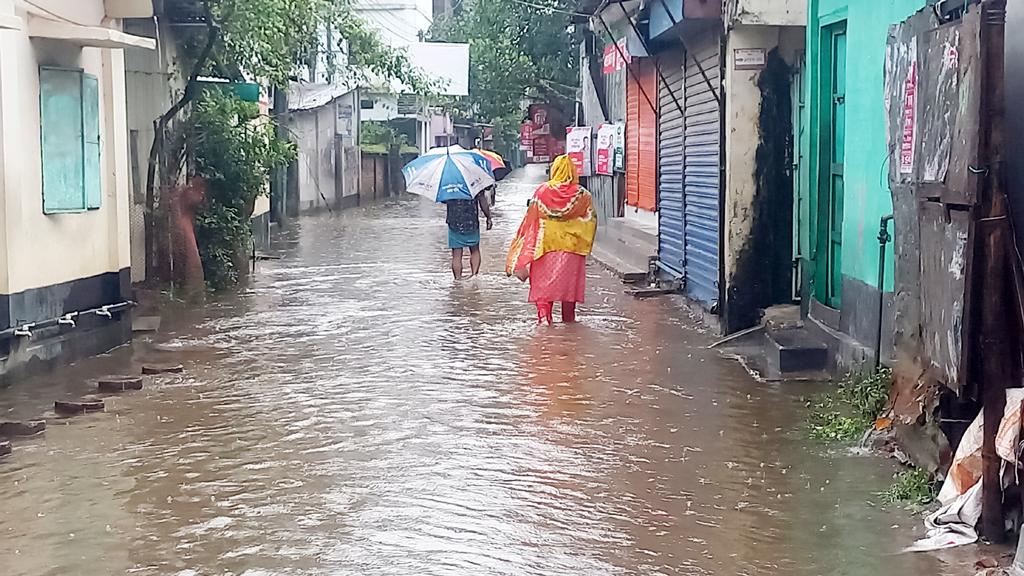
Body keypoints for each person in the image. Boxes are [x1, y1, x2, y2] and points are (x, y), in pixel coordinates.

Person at [506, 155, 597, 324]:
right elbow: (591, 221)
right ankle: (569, 324)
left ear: (555, 170)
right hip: (573, 250)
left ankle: (544, 321)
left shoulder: (542, 191)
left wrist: (522, 246)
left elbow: (531, 219)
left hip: (545, 247)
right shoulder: (584, 195)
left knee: (543, 287)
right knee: (569, 291)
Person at [446, 190, 493, 279]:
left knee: (456, 254)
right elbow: (482, 200)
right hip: (471, 221)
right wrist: (488, 217)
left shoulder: (448, 185)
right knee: (475, 250)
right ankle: (474, 276)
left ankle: (457, 279)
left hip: (454, 222)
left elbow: (444, 200)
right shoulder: (473, 183)